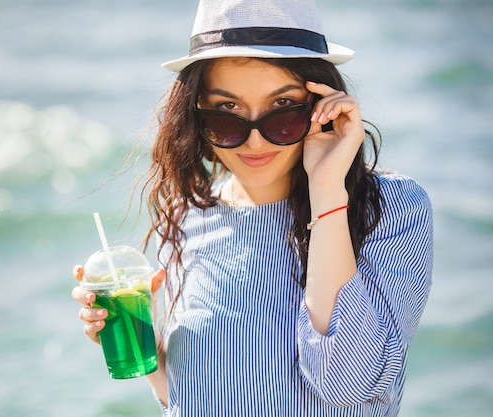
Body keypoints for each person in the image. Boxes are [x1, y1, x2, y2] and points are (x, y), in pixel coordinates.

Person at [72, 0, 433, 415]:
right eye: (228, 111)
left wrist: (328, 188)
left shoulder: (391, 209)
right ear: (194, 115)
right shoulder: (186, 216)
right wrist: (144, 345)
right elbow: (189, 398)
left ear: (321, 106)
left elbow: (348, 385)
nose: (256, 141)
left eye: (283, 109)